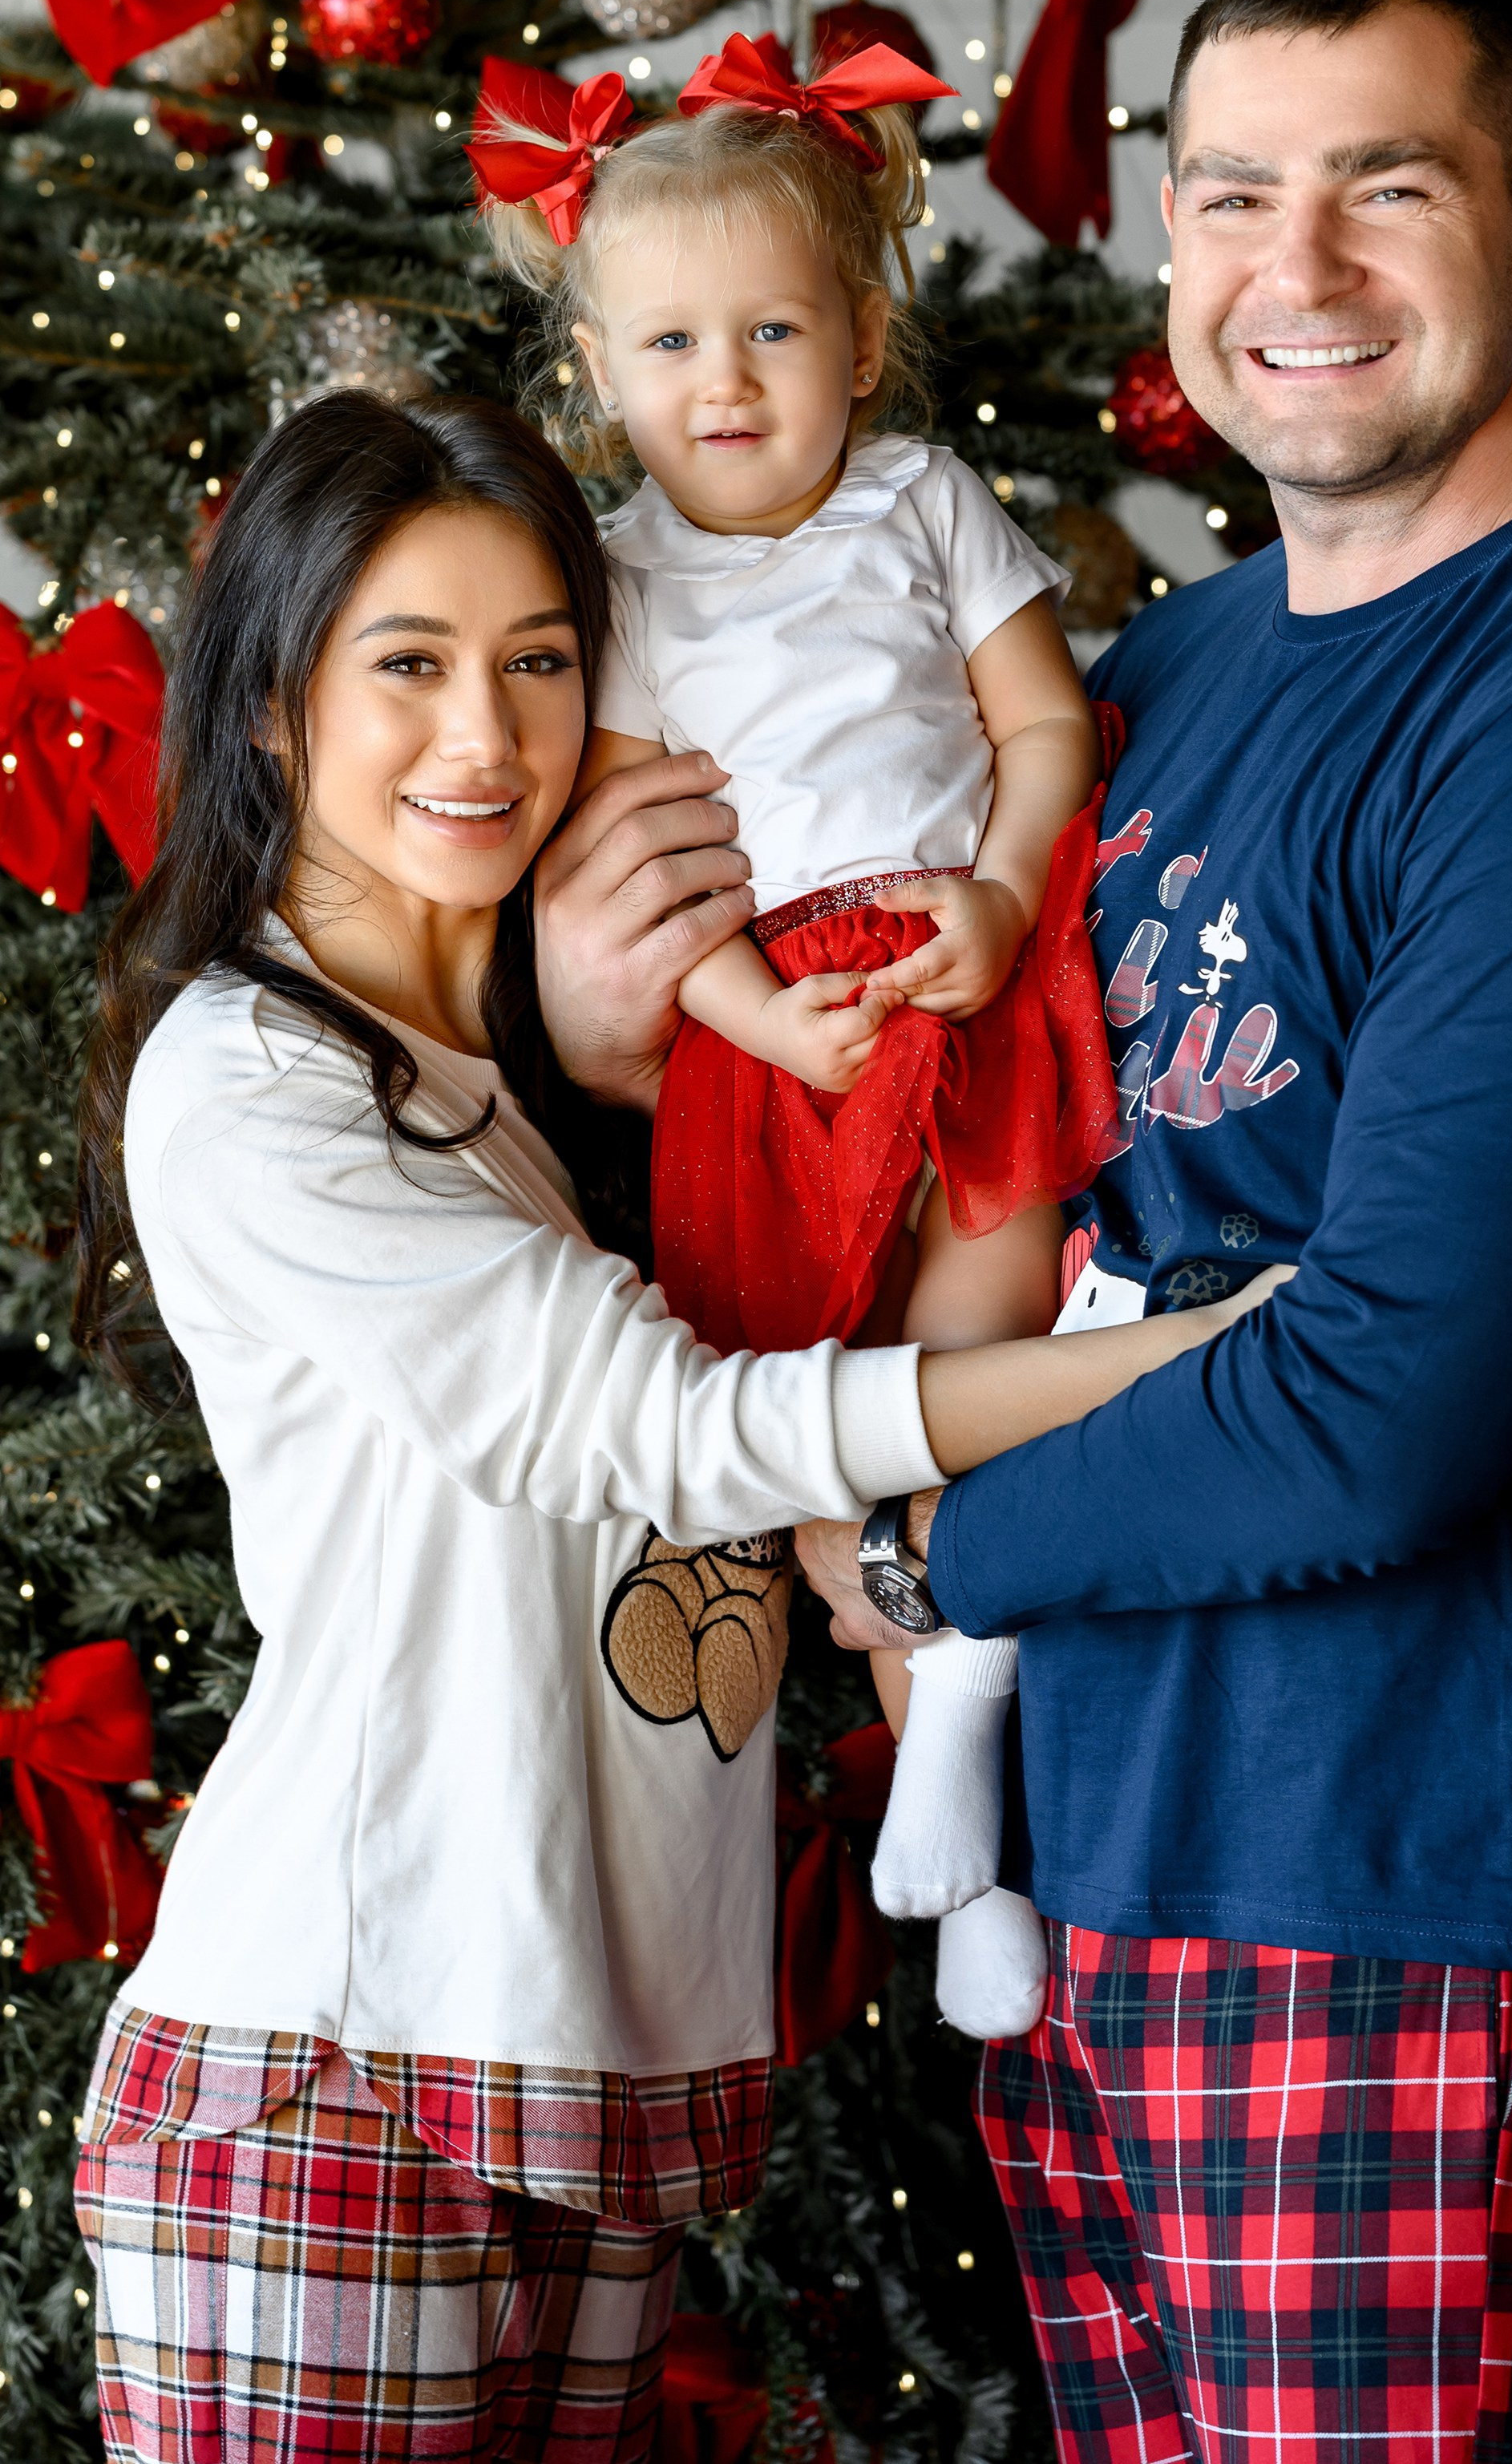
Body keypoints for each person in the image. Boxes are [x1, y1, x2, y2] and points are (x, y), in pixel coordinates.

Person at [780, 0, 1512, 2462]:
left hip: (1408, 1888)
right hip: (1097, 1881)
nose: (1301, 270)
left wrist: (921, 1550)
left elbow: (1388, 1402)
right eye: (1234, 193)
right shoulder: (1151, 682)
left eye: (1389, 188)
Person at [67, 390, 1275, 2464]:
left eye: (541, 660)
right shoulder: (254, 1080)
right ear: (269, 704)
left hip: (590, 2071)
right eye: (408, 665)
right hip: (339, 2060)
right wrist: (1183, 1357)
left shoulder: (519, 1102)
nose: (488, 737)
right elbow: (661, 1429)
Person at [475, 32, 1124, 2036]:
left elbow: (1043, 728)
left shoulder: (924, 504)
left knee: (981, 1340)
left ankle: (969, 1759)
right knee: (801, 1403)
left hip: (963, 969)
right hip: (774, 1034)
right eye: (669, 344)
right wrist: (756, 1008)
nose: (725, 383)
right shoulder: (622, 586)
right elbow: (627, 848)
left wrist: (1004, 898)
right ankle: (930, 1760)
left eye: (771, 329)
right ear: (597, 369)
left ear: (863, 334)